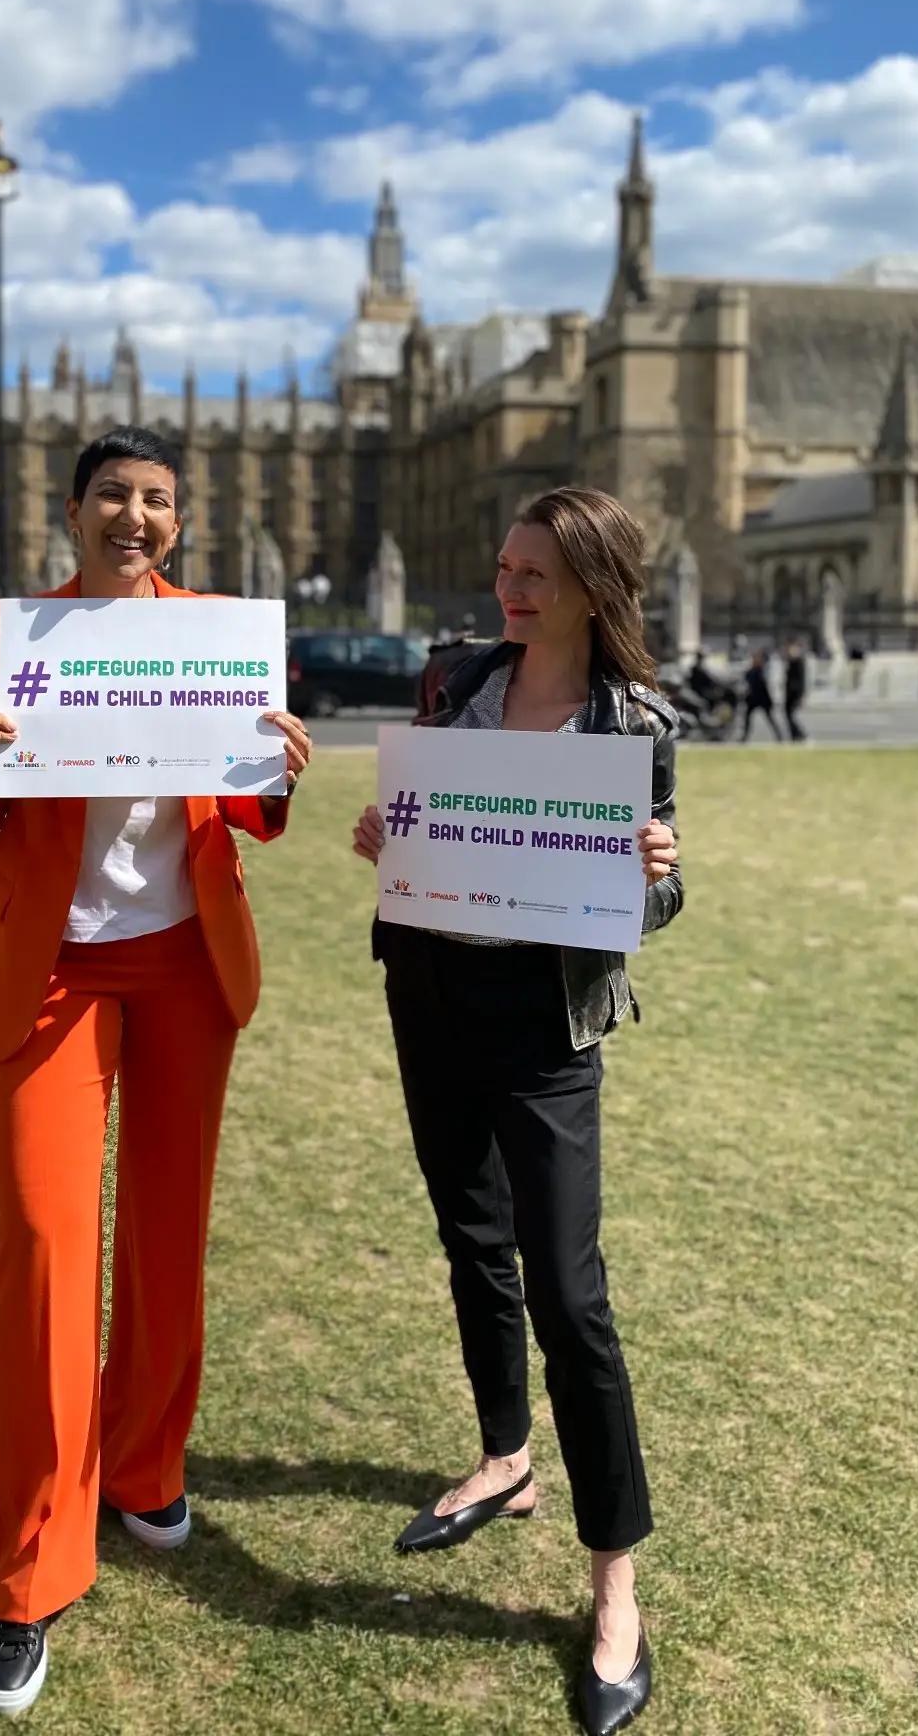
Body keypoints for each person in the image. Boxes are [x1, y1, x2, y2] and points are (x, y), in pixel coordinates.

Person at [0, 427, 312, 1719]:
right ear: (74, 511)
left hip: (186, 963)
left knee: (167, 1230)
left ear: (181, 523)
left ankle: (144, 1463)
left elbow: (248, 808)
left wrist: (285, 771)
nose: (134, 517)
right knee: (46, 1246)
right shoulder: (9, 634)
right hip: (52, 967)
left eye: (156, 501)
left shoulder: (222, 633)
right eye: (113, 496)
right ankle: (28, 1575)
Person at [352, 486, 681, 1736]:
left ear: (596, 584)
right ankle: (505, 1456)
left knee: (573, 1297)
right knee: (470, 1242)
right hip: (431, 994)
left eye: (538, 572)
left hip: (545, 1030)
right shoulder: (455, 682)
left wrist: (656, 876)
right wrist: (386, 834)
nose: (513, 589)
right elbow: (422, 829)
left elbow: (658, 900)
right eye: (505, 567)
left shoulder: (632, 721)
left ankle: (616, 1592)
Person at [740, 651, 781, 741]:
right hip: (753, 699)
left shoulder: (762, 672)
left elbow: (766, 687)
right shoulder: (750, 672)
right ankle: (744, 737)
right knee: (747, 719)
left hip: (762, 699)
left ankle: (779, 736)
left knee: (770, 719)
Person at [783, 640, 808, 741]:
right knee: (788, 715)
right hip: (789, 693)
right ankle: (794, 735)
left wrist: (801, 695)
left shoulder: (799, 662)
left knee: (790, 715)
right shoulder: (790, 662)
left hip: (795, 693)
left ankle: (800, 733)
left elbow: (801, 680)